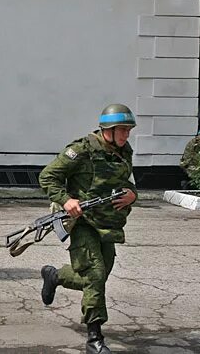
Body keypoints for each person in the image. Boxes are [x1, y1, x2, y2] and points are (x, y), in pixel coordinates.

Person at [38, 104, 138, 354]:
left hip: (109, 224)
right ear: (108, 129)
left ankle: (55, 276)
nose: (126, 135)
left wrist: (132, 196)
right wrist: (66, 200)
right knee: (95, 274)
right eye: (122, 130)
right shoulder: (81, 149)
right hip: (82, 223)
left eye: (128, 130)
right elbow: (48, 176)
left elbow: (128, 182)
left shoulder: (124, 151)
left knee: (99, 276)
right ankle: (95, 337)